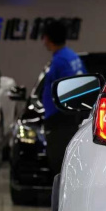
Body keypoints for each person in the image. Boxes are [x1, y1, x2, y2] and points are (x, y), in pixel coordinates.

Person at [41, 20, 86, 177]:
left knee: (59, 164)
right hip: (68, 118)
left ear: (48, 38)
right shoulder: (71, 57)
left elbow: (67, 91)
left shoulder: (60, 61)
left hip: (60, 120)